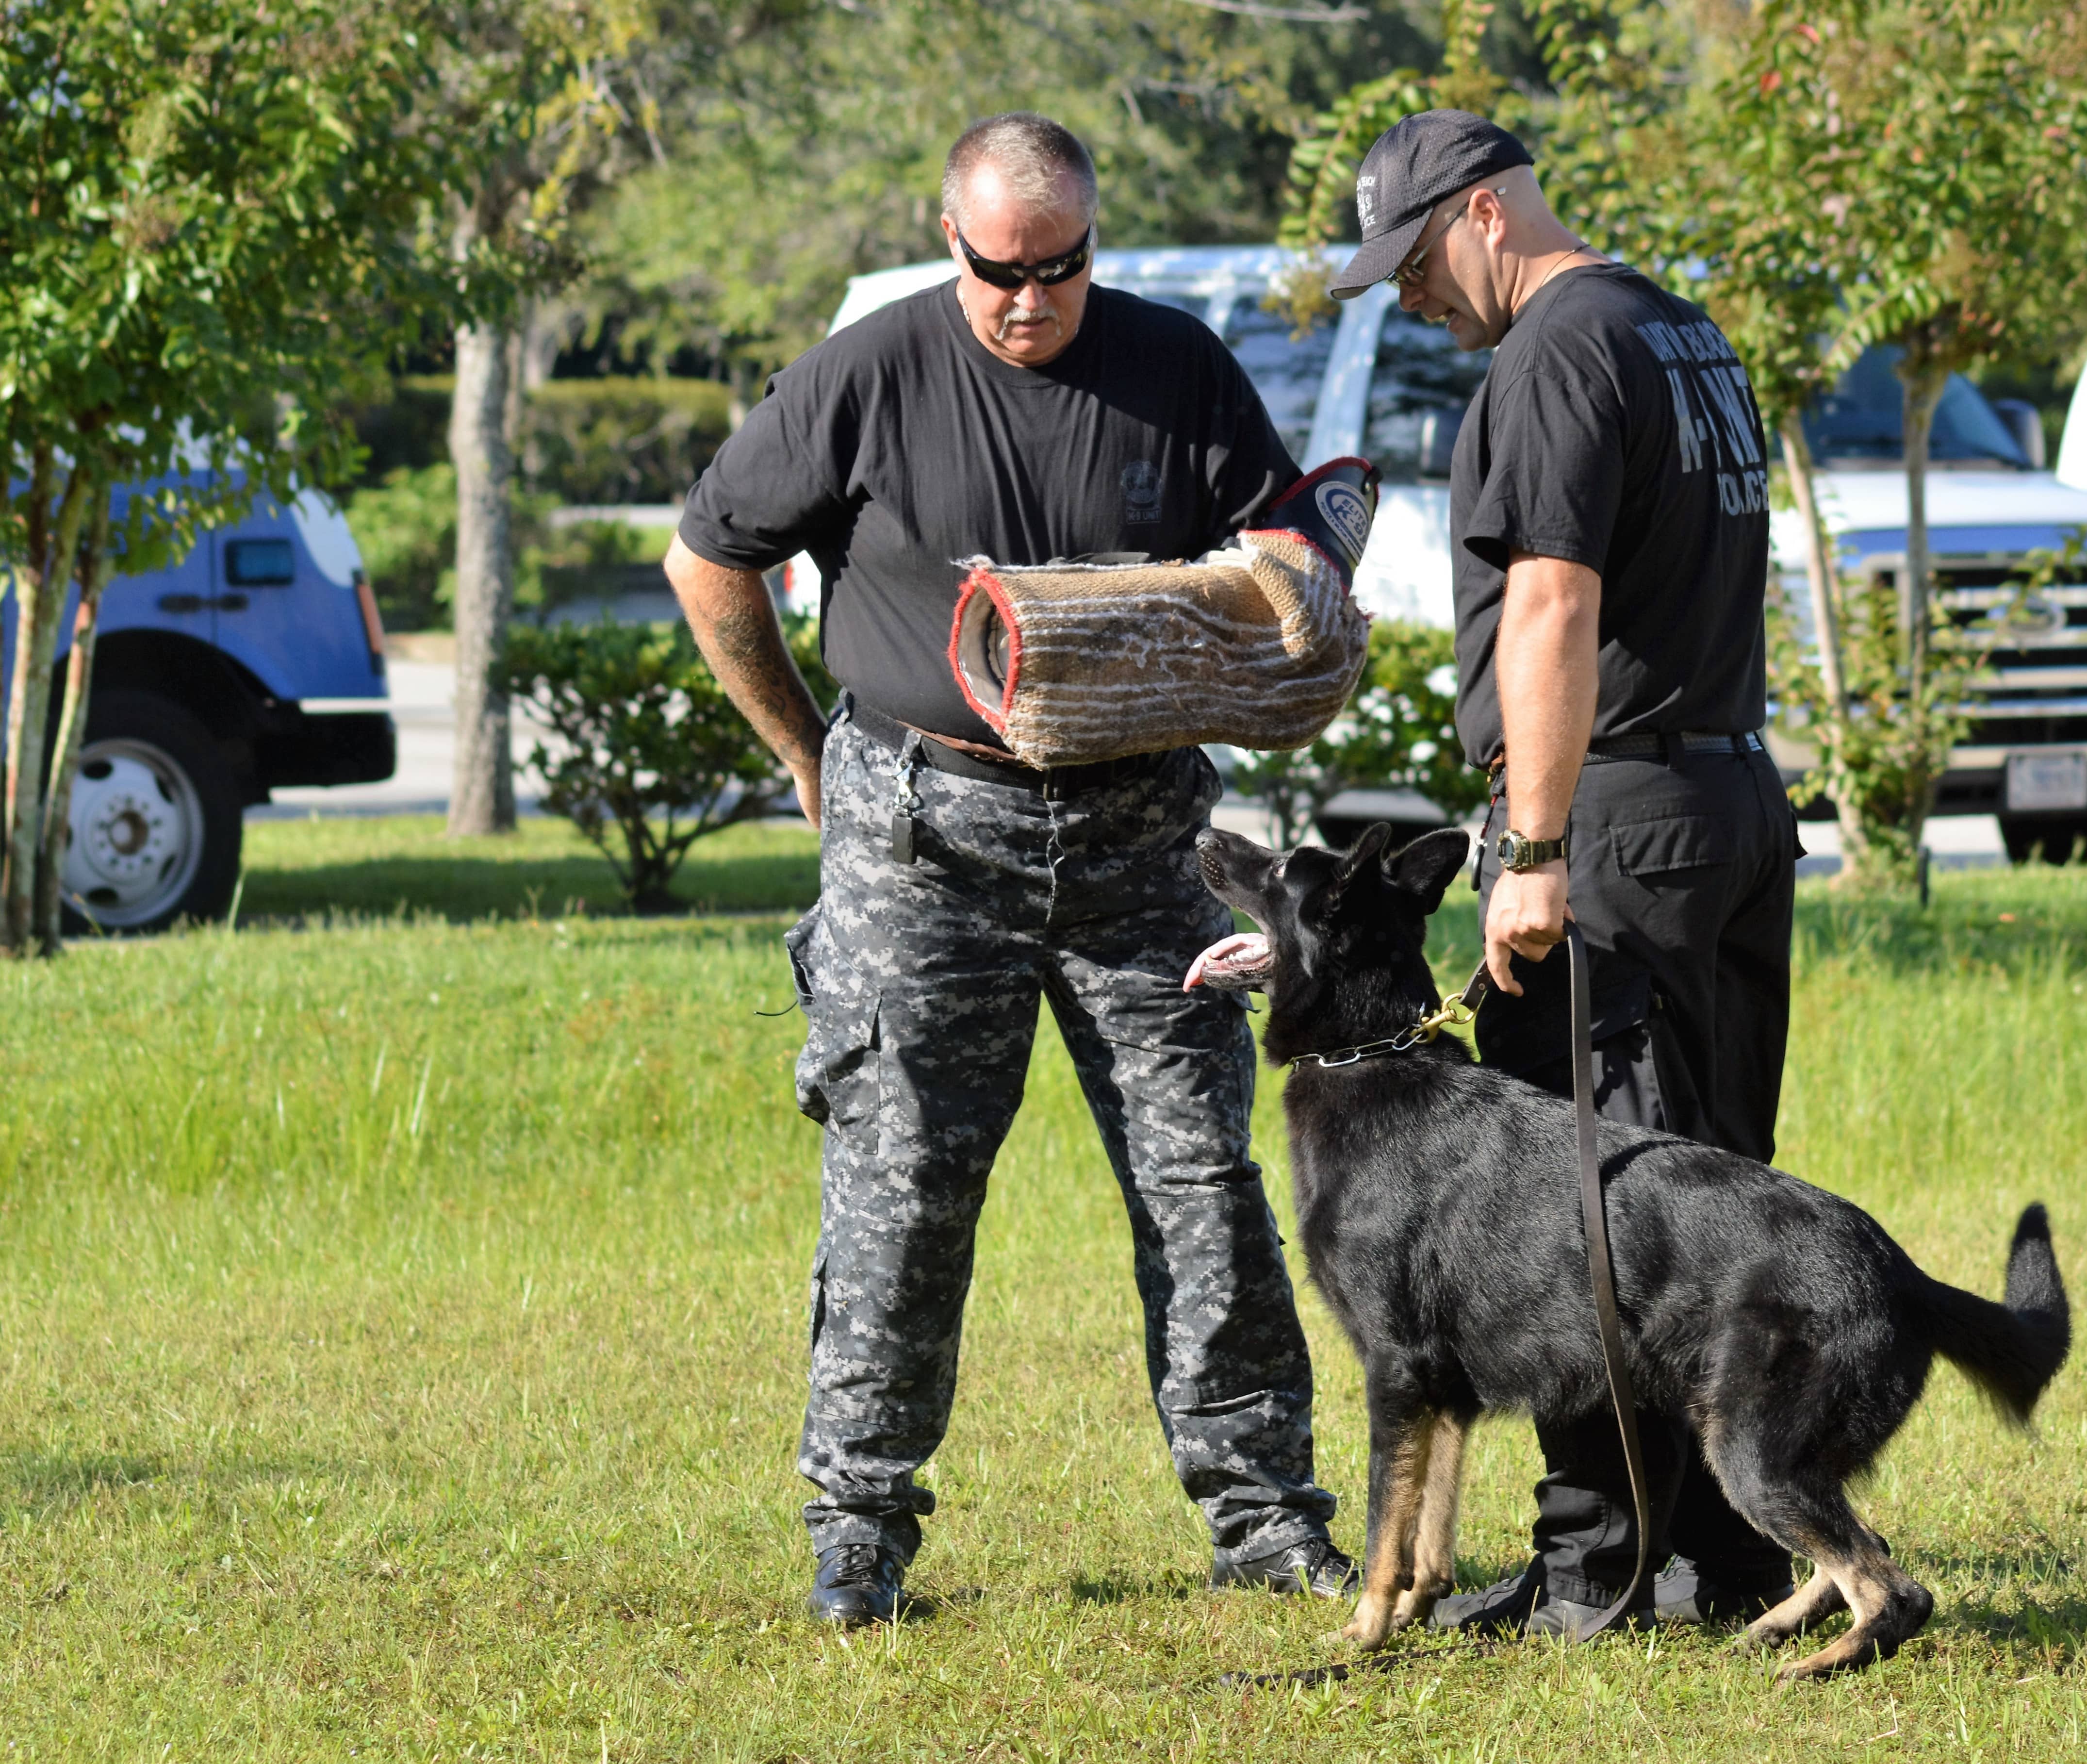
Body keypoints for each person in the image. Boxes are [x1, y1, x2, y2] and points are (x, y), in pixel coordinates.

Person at [665, 112, 1348, 1627]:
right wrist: (801, 754)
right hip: (927, 843)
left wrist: (1293, 586)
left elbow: (1293, 535)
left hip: (1138, 840)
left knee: (1200, 1181)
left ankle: (1265, 1517)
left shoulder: (1175, 365)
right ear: (951, 241)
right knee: (899, 1189)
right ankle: (858, 1527)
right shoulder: (871, 370)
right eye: (997, 272)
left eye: (1060, 269)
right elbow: (707, 559)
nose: (1029, 301)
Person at [1327, 110, 1804, 1637]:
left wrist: (1528, 847)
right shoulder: (1683, 331)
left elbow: (1550, 605)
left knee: (1594, 1217)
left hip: (1610, 829)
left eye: (1410, 263)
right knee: (1707, 1195)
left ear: (1478, 217)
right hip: (1725, 804)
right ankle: (1723, 1550)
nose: (1407, 298)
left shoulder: (1549, 353)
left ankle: (1603, 1566)